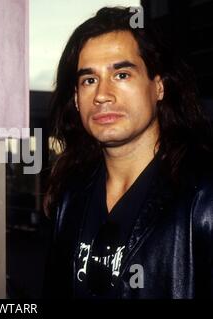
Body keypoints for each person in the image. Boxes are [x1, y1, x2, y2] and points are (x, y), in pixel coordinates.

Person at [44, 7, 213, 298]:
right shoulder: (70, 196)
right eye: (89, 80)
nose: (102, 95)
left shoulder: (203, 192)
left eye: (121, 74)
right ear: (75, 97)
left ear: (158, 87)